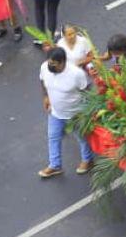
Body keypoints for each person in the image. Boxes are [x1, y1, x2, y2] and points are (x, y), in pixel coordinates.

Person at [37, 46, 94, 178]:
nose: (49, 65)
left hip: (75, 114)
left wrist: (87, 112)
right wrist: (46, 96)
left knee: (81, 138)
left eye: (53, 64)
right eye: (49, 62)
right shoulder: (45, 67)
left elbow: (87, 89)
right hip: (55, 112)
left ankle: (88, 160)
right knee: (53, 137)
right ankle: (55, 165)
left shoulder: (76, 74)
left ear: (62, 62)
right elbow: (42, 80)